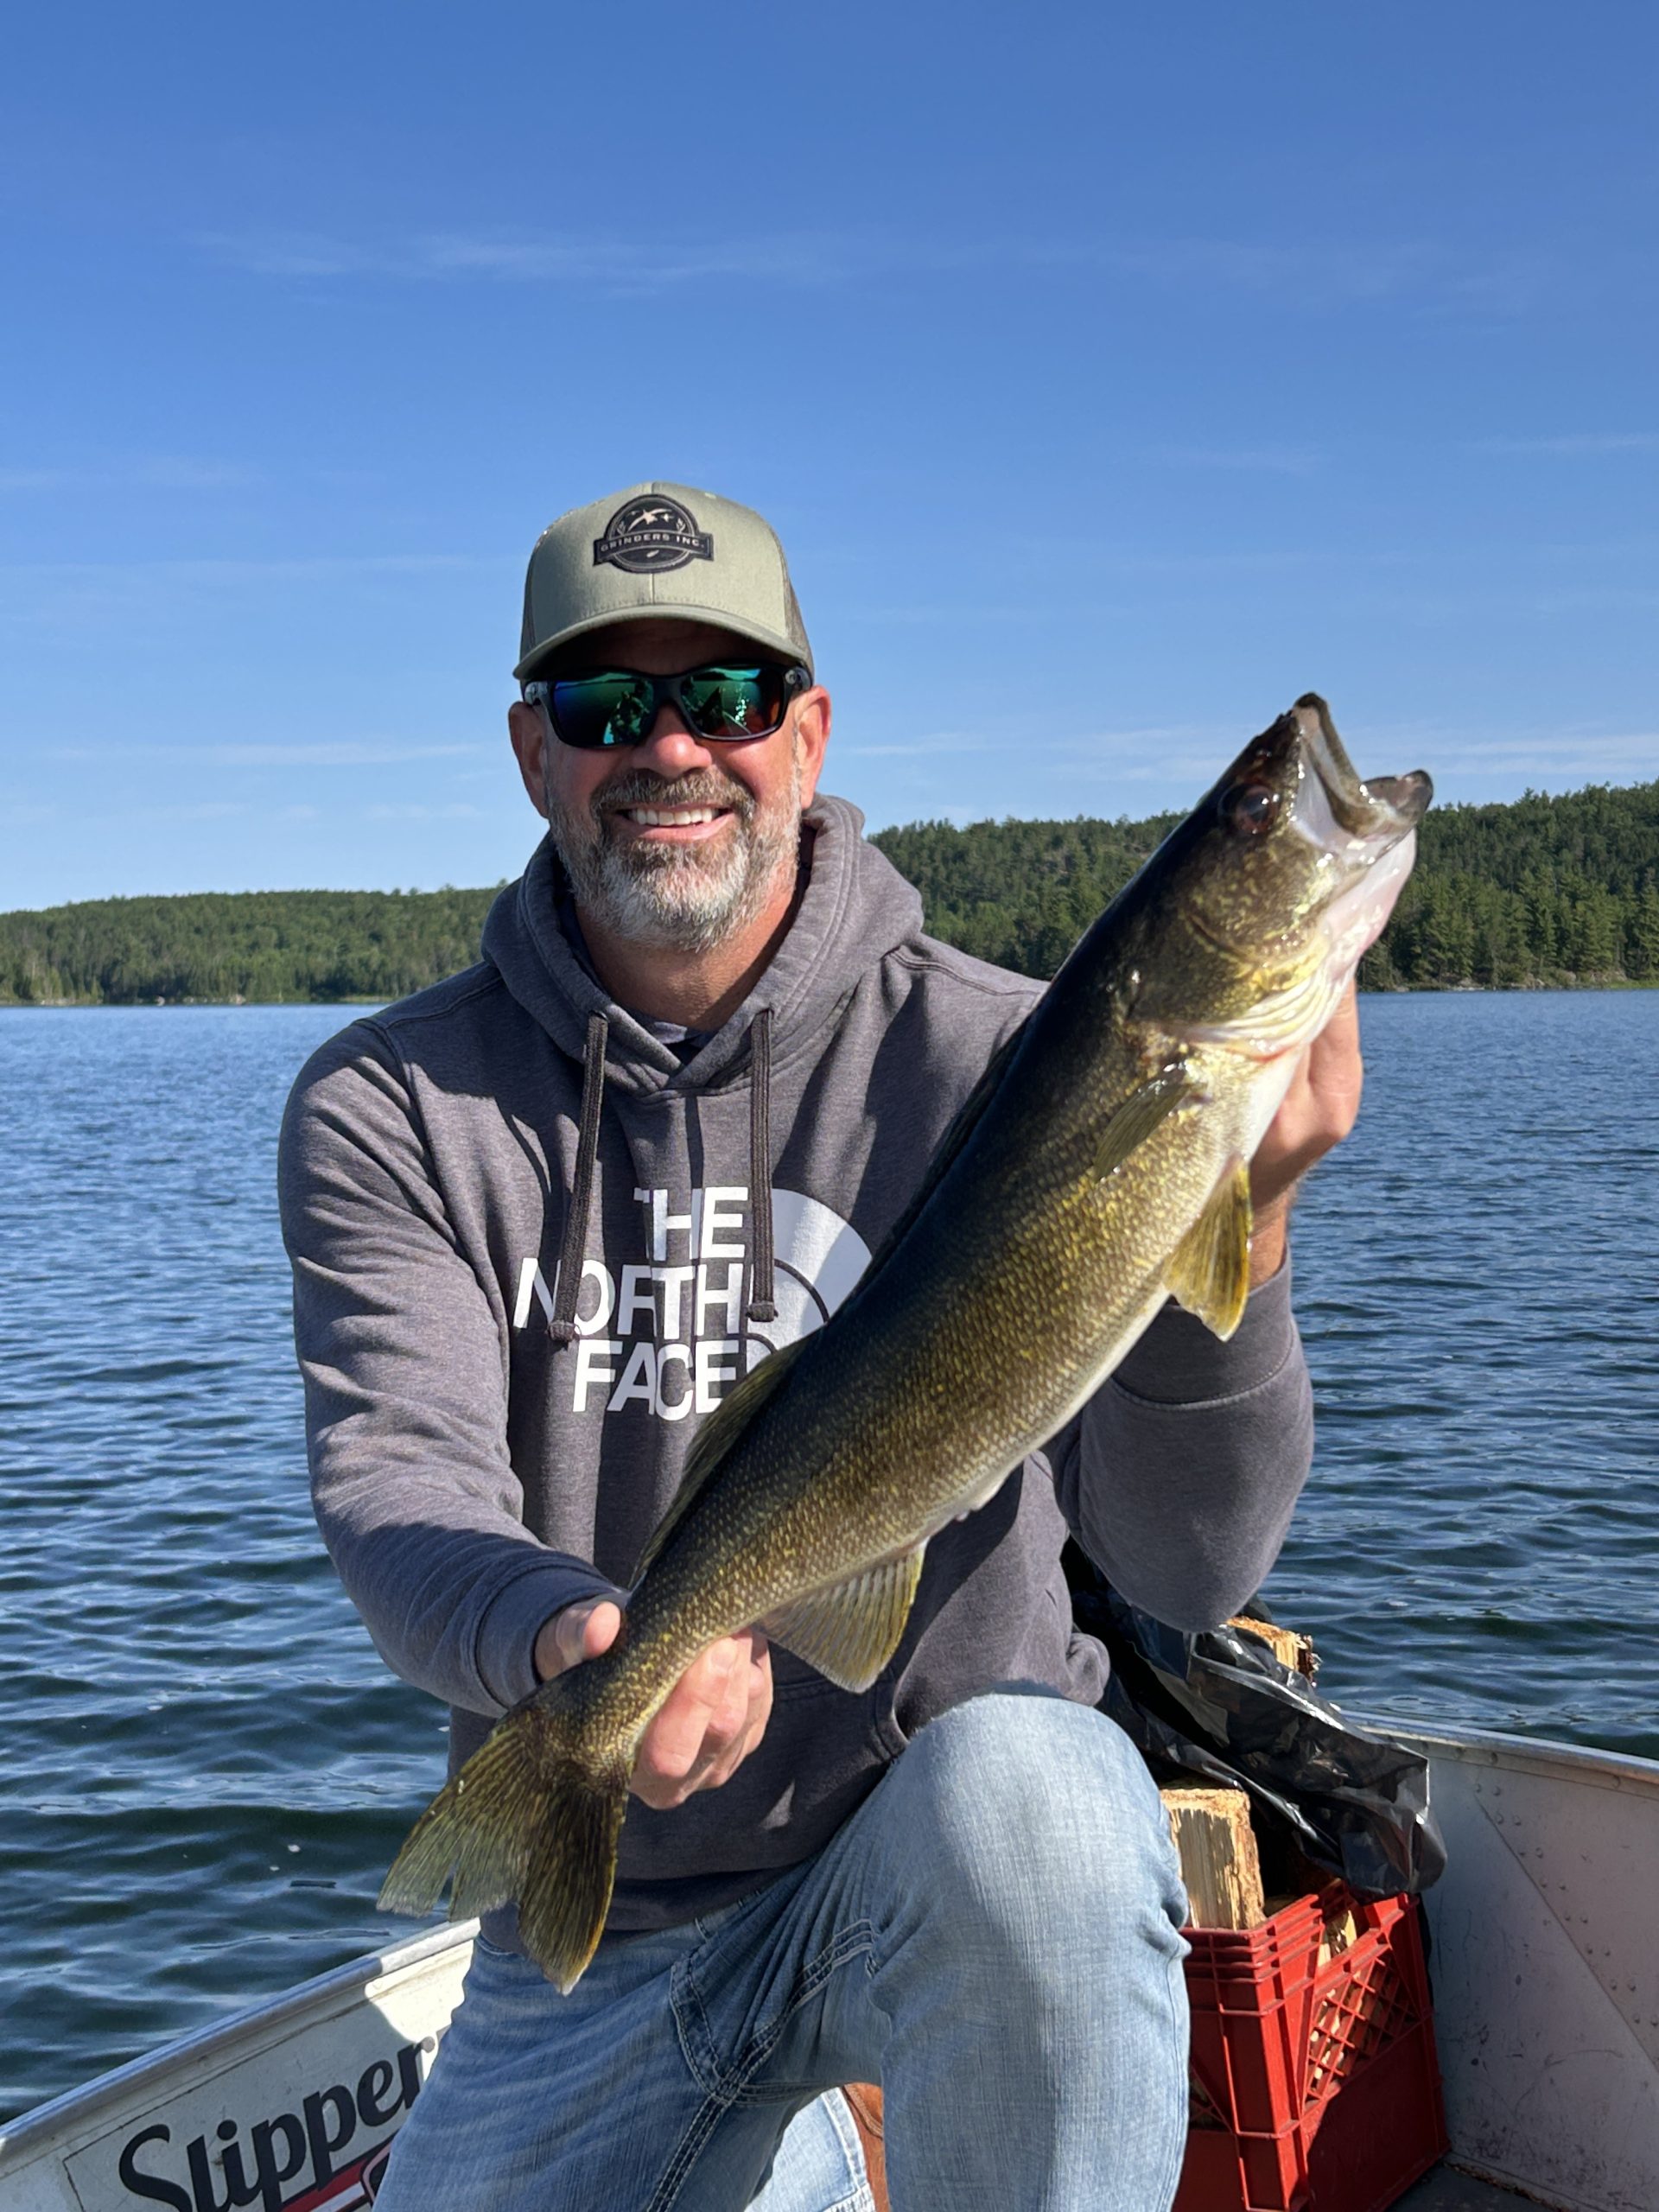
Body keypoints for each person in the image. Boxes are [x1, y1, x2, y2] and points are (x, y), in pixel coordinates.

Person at [279, 480, 1357, 2212]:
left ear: (811, 728)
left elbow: (1181, 1558)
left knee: (1045, 1803)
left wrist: (1256, 1223)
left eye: (727, 692)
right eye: (605, 703)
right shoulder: (392, 1103)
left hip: (943, 1843)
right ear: (532, 754)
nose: (673, 746)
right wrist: (574, 1639)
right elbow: (398, 1485)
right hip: (605, 1924)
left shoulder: (1017, 1053)